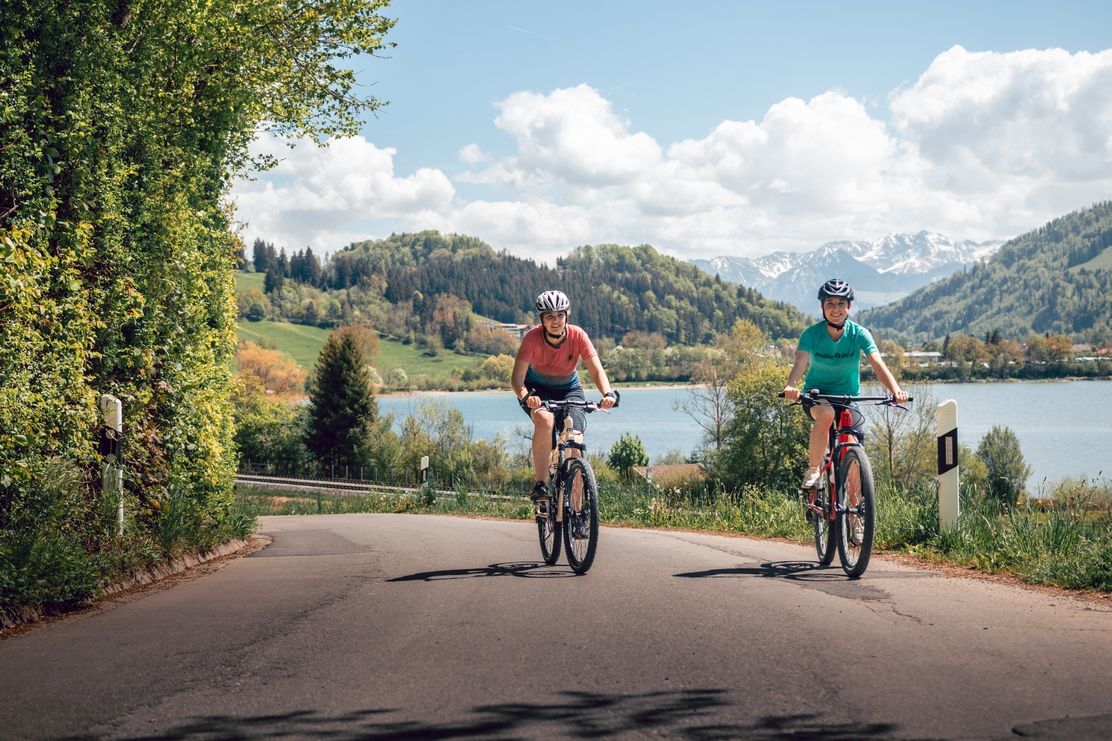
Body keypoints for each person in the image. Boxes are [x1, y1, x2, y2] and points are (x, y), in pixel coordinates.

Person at [782, 278, 909, 490]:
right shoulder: (811, 334)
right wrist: (791, 386)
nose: (836, 309)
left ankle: (855, 514)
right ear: (822, 307)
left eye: (841, 303)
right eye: (830, 303)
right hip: (817, 397)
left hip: (849, 399)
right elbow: (800, 362)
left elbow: (877, 363)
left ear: (849, 307)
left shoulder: (859, 333)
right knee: (827, 414)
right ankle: (814, 471)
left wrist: (896, 391)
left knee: (854, 448)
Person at [512, 290, 617, 507]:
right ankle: (541, 485)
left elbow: (596, 370)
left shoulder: (578, 335)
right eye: (549, 316)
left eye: (560, 315)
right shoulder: (532, 338)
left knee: (575, 441)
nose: (555, 321)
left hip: (570, 389)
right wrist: (527, 398)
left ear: (567, 315)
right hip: (537, 391)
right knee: (545, 421)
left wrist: (607, 393)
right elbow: (517, 380)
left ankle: (577, 512)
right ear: (542, 319)